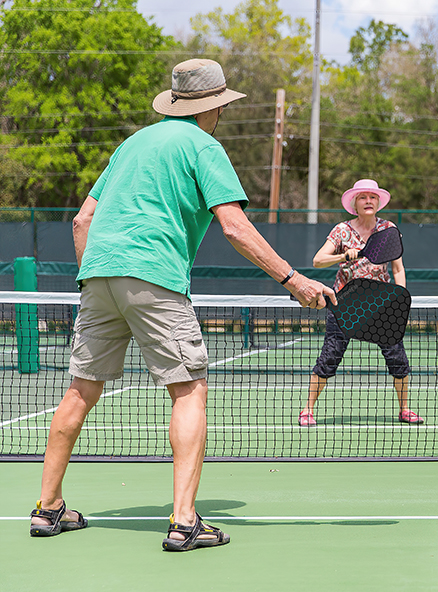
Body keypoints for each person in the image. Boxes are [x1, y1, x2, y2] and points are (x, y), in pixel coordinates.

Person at [28, 59, 336, 551]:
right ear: (213, 106)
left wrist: (93, 279)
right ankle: (184, 520)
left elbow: (82, 221)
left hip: (97, 276)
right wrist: (292, 278)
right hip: (154, 276)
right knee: (189, 390)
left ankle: (47, 509)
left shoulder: (131, 143)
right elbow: (233, 226)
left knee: (81, 391)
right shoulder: (204, 146)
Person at [298, 179, 423, 426]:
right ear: (354, 203)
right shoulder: (341, 231)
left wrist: (400, 299)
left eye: (372, 197)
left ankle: (405, 410)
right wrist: (344, 255)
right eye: (363, 197)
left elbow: (398, 269)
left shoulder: (388, 229)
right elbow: (318, 260)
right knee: (329, 357)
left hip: (381, 306)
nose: (368, 201)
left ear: (378, 202)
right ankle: (307, 410)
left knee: (397, 359)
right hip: (345, 304)